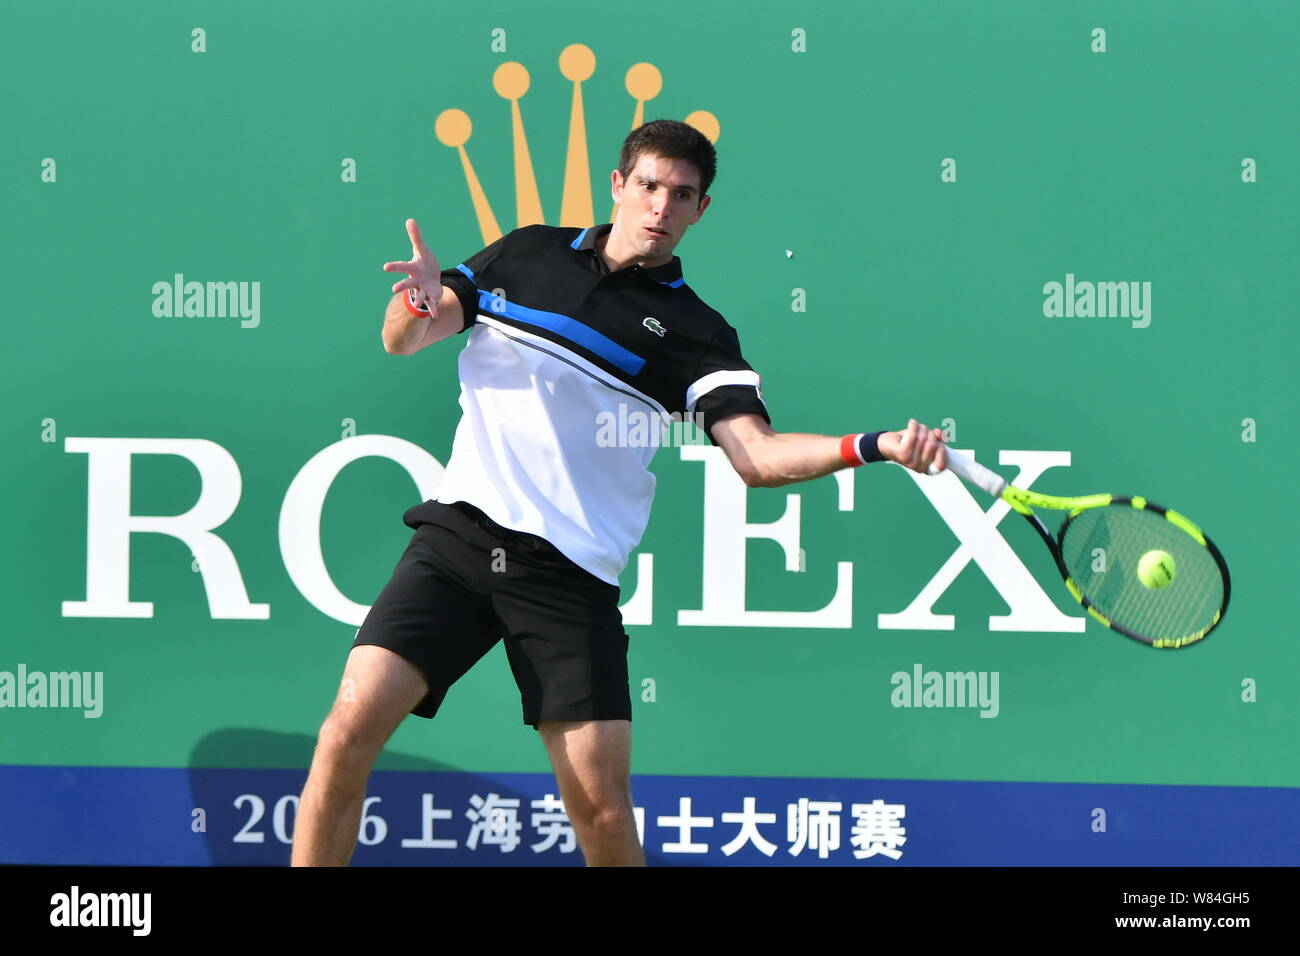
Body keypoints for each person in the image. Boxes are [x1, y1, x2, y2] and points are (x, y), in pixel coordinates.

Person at [290, 119, 948, 867]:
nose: (660, 207)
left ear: (701, 210)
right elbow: (405, 337)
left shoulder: (697, 335)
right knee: (345, 734)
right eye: (648, 186)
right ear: (618, 186)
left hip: (568, 580)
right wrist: (414, 302)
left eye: (682, 194)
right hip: (457, 542)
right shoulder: (527, 252)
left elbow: (757, 459)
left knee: (602, 813)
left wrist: (877, 447)